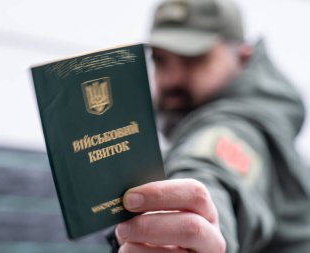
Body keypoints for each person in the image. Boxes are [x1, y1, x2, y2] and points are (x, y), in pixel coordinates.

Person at [107, 0, 310, 252]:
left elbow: (211, 174)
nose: (172, 78)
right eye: (160, 59)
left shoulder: (236, 128)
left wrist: (196, 229)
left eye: (193, 58)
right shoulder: (265, 121)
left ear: (242, 55)